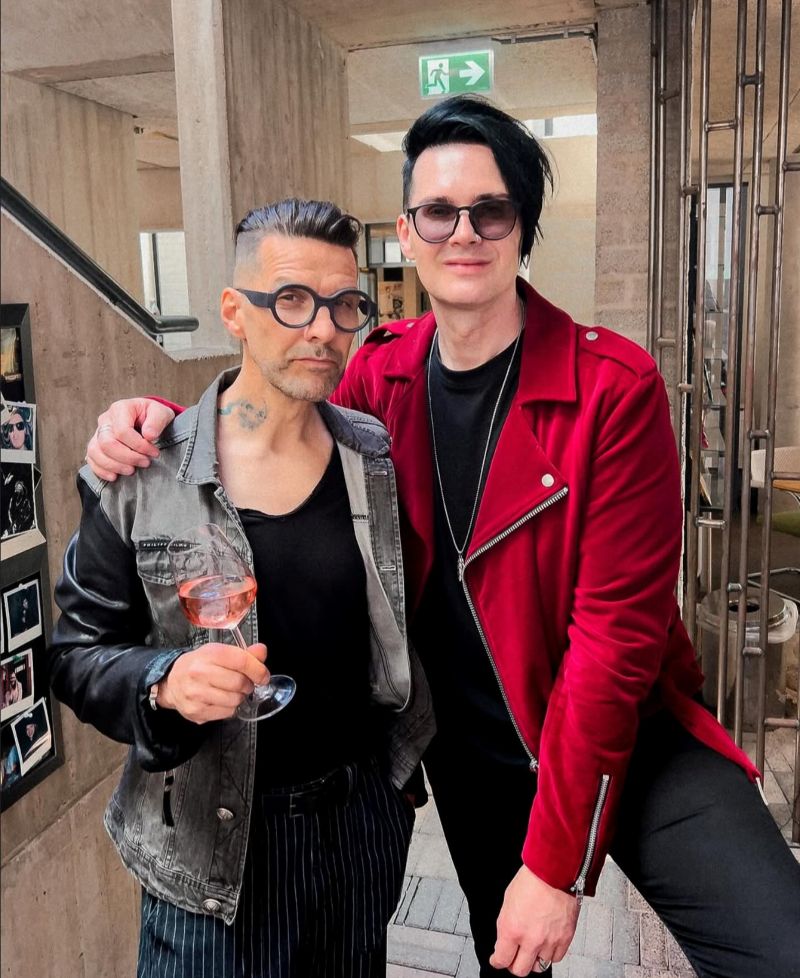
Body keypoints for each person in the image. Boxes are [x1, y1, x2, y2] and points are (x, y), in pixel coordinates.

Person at [84, 97, 800, 978]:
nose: (464, 233)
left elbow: (617, 643)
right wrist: (160, 423)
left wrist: (556, 865)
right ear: (407, 233)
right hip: (472, 749)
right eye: (438, 212)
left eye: (490, 211)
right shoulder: (381, 373)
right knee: (510, 961)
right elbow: (275, 416)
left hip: (624, 730)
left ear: (522, 229)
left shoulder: (613, 388)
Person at [52, 198, 434, 978]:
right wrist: (163, 683)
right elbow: (74, 654)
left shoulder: (371, 457)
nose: (322, 329)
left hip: (357, 830)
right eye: (292, 300)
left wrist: (392, 791)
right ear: (234, 311)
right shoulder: (145, 470)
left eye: (344, 305)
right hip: (211, 850)